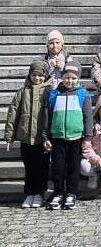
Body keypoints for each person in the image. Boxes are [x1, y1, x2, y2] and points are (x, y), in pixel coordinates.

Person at [41, 59, 93, 210]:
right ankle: (58, 192)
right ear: (62, 77)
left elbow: (88, 117)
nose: (70, 80)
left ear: (78, 79)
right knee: (58, 167)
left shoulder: (83, 94)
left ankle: (71, 192)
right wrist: (45, 136)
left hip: (76, 137)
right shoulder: (54, 94)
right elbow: (47, 116)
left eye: (73, 78)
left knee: (73, 167)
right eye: (67, 77)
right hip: (57, 137)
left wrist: (88, 138)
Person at [5, 60, 52, 209]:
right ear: (29, 75)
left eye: (40, 75)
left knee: (42, 167)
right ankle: (29, 193)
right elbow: (13, 113)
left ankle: (39, 193)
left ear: (45, 76)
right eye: (34, 75)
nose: (37, 78)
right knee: (29, 166)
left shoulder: (50, 91)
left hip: (42, 138)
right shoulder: (22, 91)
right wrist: (9, 136)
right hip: (26, 136)